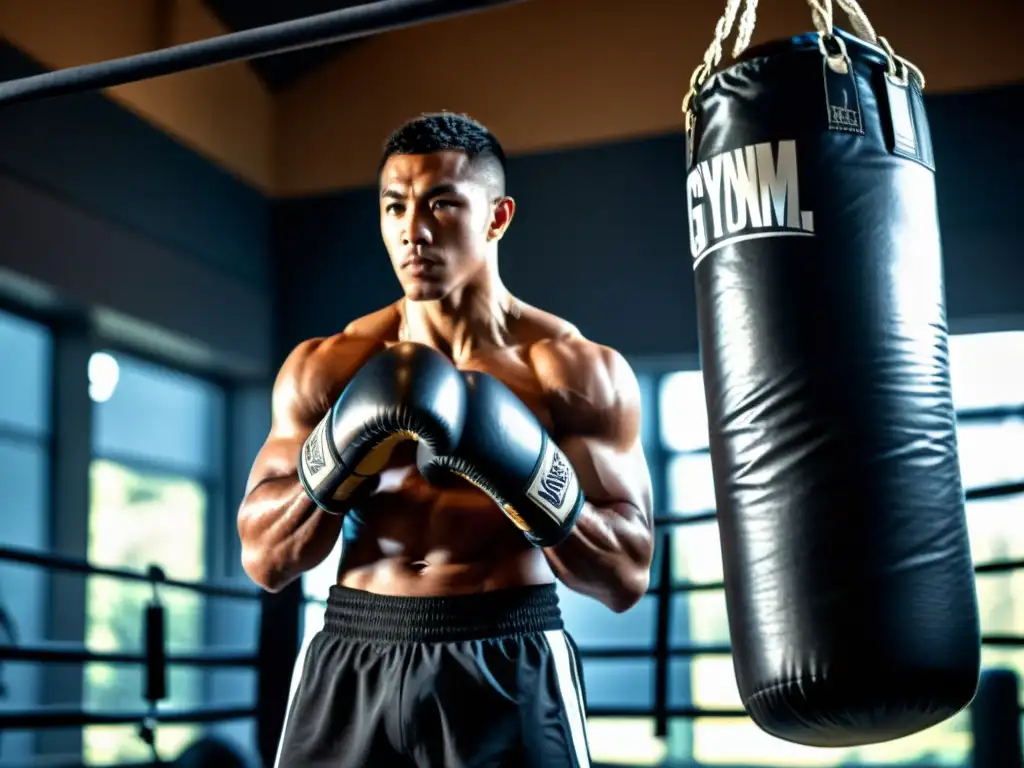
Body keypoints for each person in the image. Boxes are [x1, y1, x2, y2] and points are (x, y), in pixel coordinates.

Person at [237, 112, 655, 768]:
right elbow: (265, 560)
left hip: (505, 657)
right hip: (355, 653)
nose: (414, 230)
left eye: (442, 204)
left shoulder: (574, 371)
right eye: (395, 206)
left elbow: (626, 575)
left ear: (497, 217)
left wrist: (528, 472)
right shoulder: (330, 365)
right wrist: (339, 455)